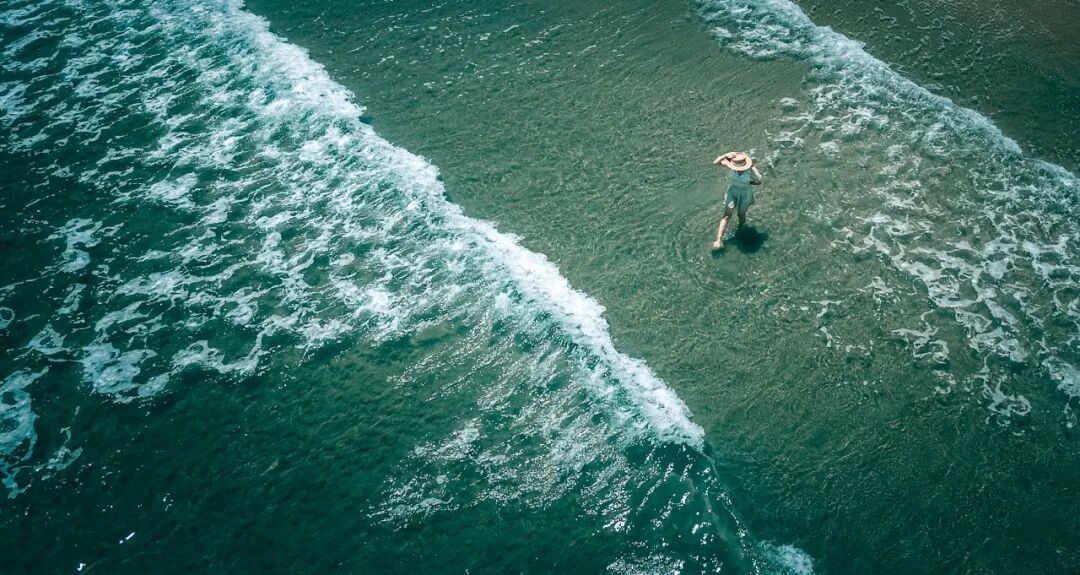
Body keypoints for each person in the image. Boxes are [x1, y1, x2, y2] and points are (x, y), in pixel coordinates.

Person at [711, 151, 762, 249]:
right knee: (727, 215)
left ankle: (740, 230)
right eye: (736, 168)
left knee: (741, 215)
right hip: (732, 192)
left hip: (745, 194)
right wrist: (726, 155)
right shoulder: (731, 165)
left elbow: (758, 181)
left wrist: (747, 184)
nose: (738, 170)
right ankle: (718, 240)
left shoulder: (751, 170)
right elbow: (715, 163)